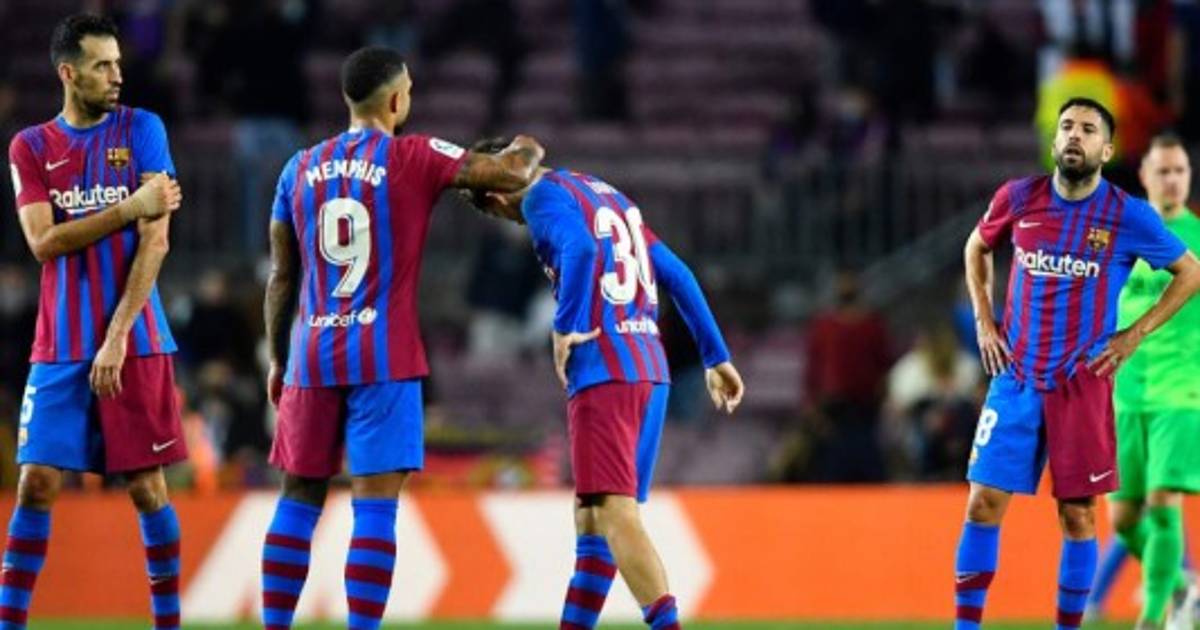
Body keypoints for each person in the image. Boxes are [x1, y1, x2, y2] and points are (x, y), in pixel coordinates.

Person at [259, 47, 544, 630]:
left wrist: (279, 358)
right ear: (396, 100)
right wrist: (528, 145)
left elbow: (282, 276)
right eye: (408, 89)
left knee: (298, 500)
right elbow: (513, 173)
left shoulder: (298, 167)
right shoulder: (413, 155)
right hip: (382, 356)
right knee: (374, 509)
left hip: (311, 355)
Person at [466, 140, 745, 630]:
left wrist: (565, 326)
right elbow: (677, 274)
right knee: (594, 523)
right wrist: (715, 355)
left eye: (495, 211)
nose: (509, 220)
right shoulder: (605, 194)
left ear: (496, 193)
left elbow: (580, 248)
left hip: (605, 370)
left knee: (616, 516)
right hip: (650, 368)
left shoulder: (539, 198)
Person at [953, 97, 1200, 630]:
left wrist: (1133, 335)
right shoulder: (1019, 197)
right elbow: (976, 247)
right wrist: (984, 320)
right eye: (1066, 126)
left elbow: (1190, 272)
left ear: (1106, 150)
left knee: (1079, 515)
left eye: (1088, 129)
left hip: (1082, 385)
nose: (1074, 135)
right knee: (982, 503)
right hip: (1016, 379)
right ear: (1054, 140)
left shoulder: (1127, 215)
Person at [3, 13, 186, 630]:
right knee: (35, 483)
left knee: (145, 487)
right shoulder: (30, 146)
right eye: (102, 65)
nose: (116, 75)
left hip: (136, 339)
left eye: (118, 63)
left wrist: (116, 336)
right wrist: (129, 206)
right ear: (68, 73)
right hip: (58, 344)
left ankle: (167, 624)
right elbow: (43, 242)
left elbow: (156, 241)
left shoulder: (144, 129)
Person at [1106, 133, 1200, 629]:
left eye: (1180, 170)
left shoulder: (1197, 238)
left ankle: (1152, 618)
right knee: (1123, 521)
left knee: (1163, 504)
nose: (1172, 179)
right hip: (1125, 395)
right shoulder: (1122, 239)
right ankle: (1183, 586)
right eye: (1162, 170)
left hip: (1181, 391)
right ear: (1144, 176)